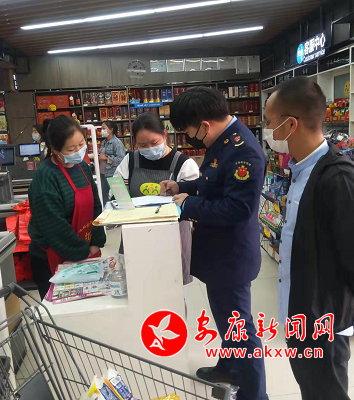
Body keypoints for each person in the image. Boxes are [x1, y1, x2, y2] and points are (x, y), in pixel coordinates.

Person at [263, 77, 354, 400]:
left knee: (326, 391)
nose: (268, 132)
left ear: (291, 124)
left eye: (270, 123)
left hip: (323, 319)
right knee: (311, 388)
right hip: (301, 312)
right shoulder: (300, 169)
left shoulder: (336, 176)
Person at [161, 87, 268, 400]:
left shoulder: (243, 150)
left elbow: (238, 208)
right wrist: (183, 186)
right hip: (220, 254)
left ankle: (254, 394)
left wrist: (187, 204)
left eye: (188, 131)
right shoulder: (225, 140)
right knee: (227, 320)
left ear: (204, 125)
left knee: (241, 328)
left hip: (231, 256)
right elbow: (213, 181)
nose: (189, 138)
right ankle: (228, 368)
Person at [114, 112, 199, 284]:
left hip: (172, 235)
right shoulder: (130, 161)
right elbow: (117, 191)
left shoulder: (183, 163)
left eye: (154, 143)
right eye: (142, 145)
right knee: (139, 284)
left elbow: (190, 201)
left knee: (172, 286)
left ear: (165, 135)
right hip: (136, 233)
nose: (149, 148)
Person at [28, 115, 106, 299]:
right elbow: (53, 225)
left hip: (83, 249)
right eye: (71, 149)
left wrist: (96, 241)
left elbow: (95, 205)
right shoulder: (46, 178)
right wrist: (83, 251)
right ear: (56, 150)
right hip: (53, 255)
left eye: (81, 144)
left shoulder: (82, 167)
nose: (79, 151)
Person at [98, 121, 126, 204]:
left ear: (111, 130)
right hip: (102, 174)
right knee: (104, 198)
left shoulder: (117, 143)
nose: (101, 130)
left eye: (104, 128)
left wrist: (107, 158)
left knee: (115, 197)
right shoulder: (104, 142)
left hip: (112, 174)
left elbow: (121, 159)